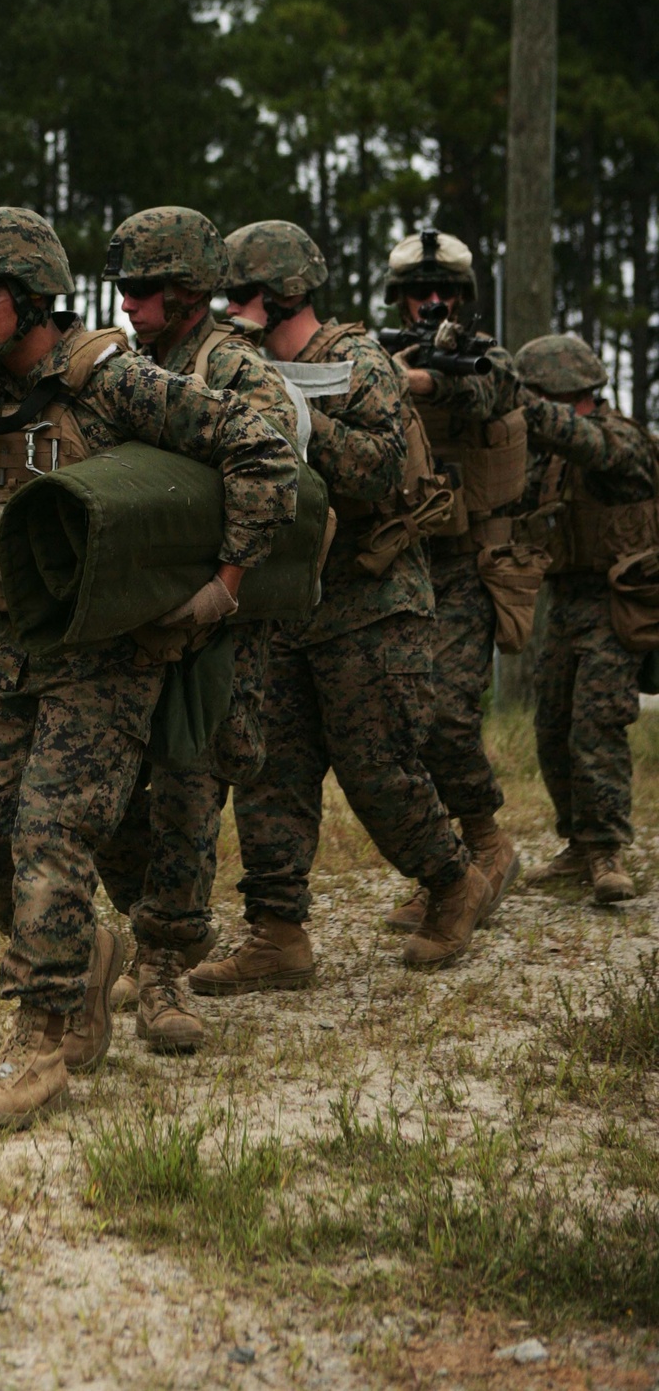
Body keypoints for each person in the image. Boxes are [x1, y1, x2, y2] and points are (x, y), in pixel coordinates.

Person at [0, 206, 298, 1127]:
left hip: (107, 656)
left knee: (51, 832)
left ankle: (42, 1042)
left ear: (33, 294)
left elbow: (260, 448)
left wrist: (226, 583)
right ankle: (89, 959)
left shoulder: (112, 382)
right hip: (1, 646)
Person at [188, 219, 494, 979]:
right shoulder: (238, 365)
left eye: (246, 293)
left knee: (378, 768)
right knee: (270, 771)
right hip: (286, 598)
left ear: (286, 290)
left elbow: (377, 469)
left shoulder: (359, 361)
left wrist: (294, 419)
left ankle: (454, 884)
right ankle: (277, 934)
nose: (234, 308)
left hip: (371, 596)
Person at [93, 205, 301, 1051]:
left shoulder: (237, 368)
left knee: (186, 788)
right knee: (103, 800)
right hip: (130, 616)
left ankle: (166, 972)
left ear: (188, 293)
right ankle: (147, 932)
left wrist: (226, 584)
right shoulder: (116, 368)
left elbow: (274, 465)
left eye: (145, 290)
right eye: (124, 289)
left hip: (213, 628)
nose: (130, 305)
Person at [382, 229, 523, 931]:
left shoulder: (482, 355)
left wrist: (426, 378)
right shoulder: (379, 353)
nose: (429, 302)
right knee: (403, 721)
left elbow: (493, 388)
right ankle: (445, 867)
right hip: (398, 563)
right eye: (417, 292)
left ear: (462, 298)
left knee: (446, 713)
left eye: (442, 293)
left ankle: (487, 841)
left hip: (465, 567)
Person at [514, 334, 659, 903]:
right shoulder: (549, 459)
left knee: (596, 726)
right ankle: (577, 843)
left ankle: (605, 850)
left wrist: (528, 409)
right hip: (566, 604)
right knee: (551, 724)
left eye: (536, 395)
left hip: (617, 604)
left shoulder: (619, 436)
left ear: (562, 393)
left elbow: (598, 450)